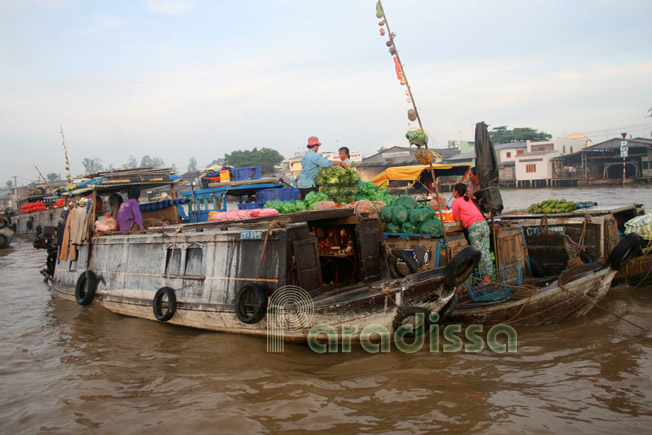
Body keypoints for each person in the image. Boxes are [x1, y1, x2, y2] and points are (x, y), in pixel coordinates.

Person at [451, 183, 494, 279]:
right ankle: (488, 277)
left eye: (453, 190)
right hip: (484, 225)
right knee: (485, 252)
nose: (452, 192)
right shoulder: (468, 199)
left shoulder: (456, 202)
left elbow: (457, 219)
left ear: (456, 192)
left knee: (479, 253)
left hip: (475, 227)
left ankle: (485, 280)